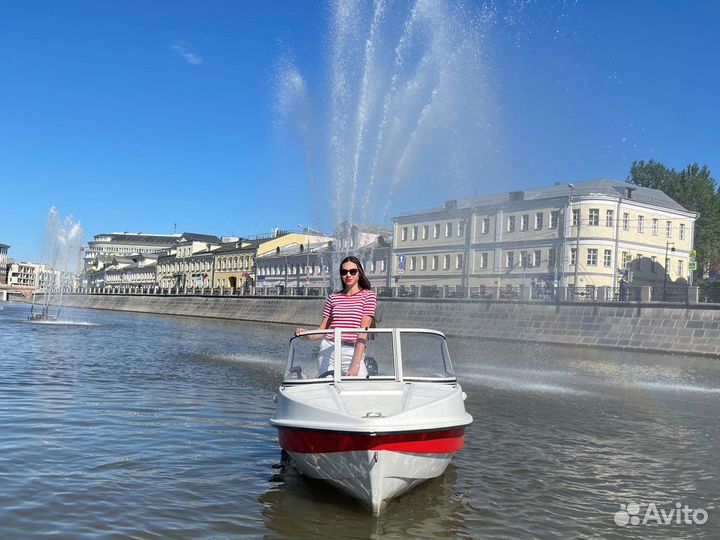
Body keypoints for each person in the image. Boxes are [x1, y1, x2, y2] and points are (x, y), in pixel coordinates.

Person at [295, 256, 377, 377]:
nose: (348, 275)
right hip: (329, 350)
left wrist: (355, 365)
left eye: (352, 271)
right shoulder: (333, 297)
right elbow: (322, 330)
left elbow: (362, 333)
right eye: (344, 272)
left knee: (359, 387)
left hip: (352, 351)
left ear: (359, 273)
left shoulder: (368, 296)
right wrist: (306, 335)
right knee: (326, 385)